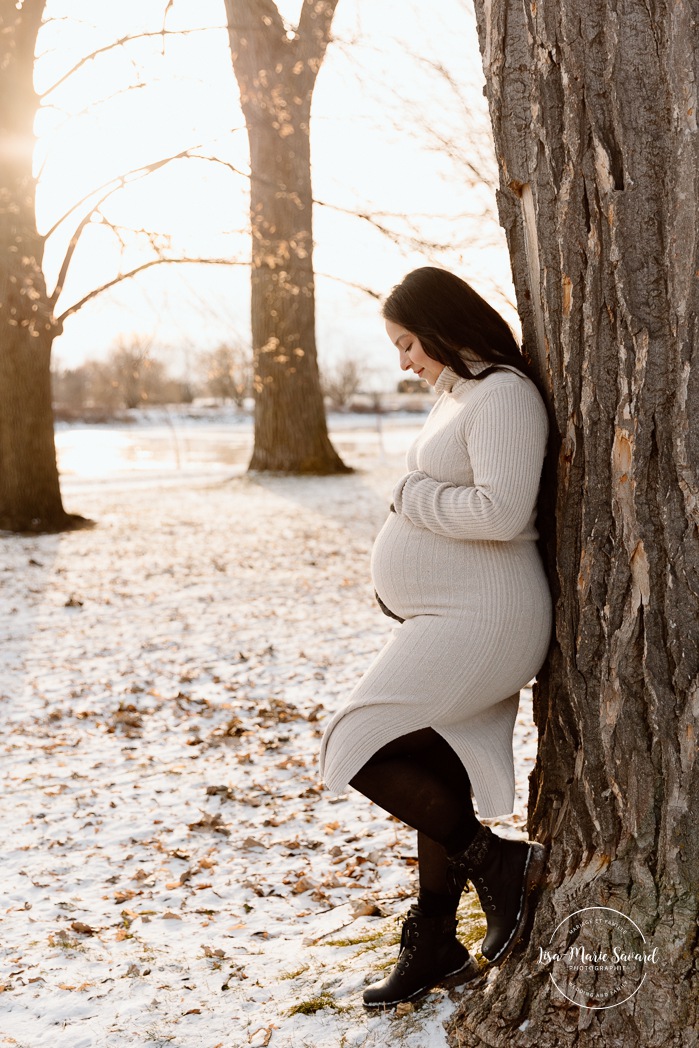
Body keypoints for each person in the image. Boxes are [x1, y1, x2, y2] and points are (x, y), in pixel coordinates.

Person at [319, 266, 553, 1008]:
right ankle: (435, 939)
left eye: (407, 342)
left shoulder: (504, 394)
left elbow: (502, 513)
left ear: (441, 325)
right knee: (432, 761)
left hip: (488, 618)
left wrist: (408, 494)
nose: (404, 361)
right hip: (452, 613)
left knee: (358, 743)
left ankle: (498, 864)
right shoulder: (460, 395)